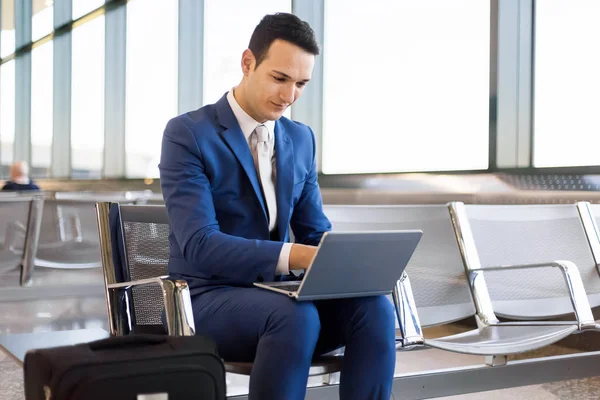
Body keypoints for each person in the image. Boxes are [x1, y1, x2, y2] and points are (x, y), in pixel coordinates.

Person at [159, 13, 395, 400]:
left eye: (301, 84)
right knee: (294, 316)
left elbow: (315, 231)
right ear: (247, 63)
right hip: (207, 298)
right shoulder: (189, 134)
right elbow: (200, 244)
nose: (289, 96)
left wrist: (351, 262)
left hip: (280, 296)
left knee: (375, 309)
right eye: (280, 78)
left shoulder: (301, 140)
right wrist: (296, 255)